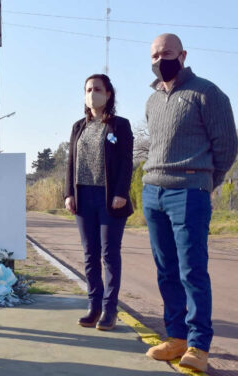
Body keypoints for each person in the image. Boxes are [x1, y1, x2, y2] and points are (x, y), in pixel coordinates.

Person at [142, 34, 238, 372]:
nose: (160, 59)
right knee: (166, 270)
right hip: (153, 192)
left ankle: (198, 344)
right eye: (154, 54)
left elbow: (227, 145)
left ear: (182, 54)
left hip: (190, 192)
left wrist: (207, 182)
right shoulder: (153, 100)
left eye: (166, 53)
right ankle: (176, 337)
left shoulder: (207, 93)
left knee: (192, 271)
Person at [65, 74, 134, 331]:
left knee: (109, 254)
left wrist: (121, 192)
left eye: (97, 89)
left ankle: (109, 309)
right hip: (83, 197)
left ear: (108, 94)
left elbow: (127, 163)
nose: (92, 93)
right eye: (88, 89)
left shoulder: (120, 125)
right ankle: (93, 307)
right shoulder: (78, 127)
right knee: (89, 254)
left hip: (110, 199)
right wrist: (68, 194)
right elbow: (70, 162)